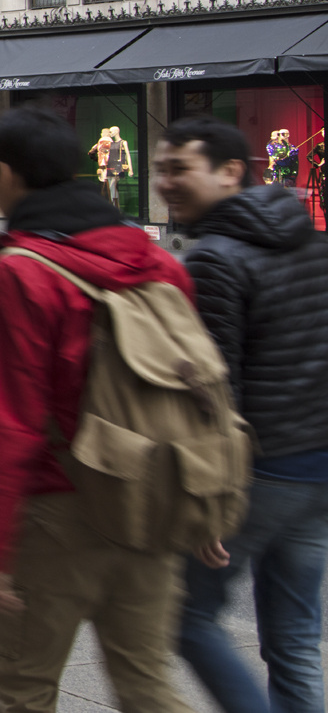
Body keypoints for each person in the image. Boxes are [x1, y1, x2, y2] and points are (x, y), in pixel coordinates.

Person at [0, 107, 198, 712]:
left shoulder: (24, 272)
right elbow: (192, 387)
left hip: (57, 510)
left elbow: (9, 422)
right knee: (147, 682)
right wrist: (204, 503)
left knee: (27, 686)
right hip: (151, 502)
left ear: (7, 173)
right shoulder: (159, 265)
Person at [158, 115, 328, 713]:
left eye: (180, 169)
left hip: (260, 471)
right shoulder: (310, 238)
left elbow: (214, 393)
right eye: (161, 170)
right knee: (296, 637)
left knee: (187, 615)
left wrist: (208, 501)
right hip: (318, 470)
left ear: (230, 172)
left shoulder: (214, 259)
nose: (166, 183)